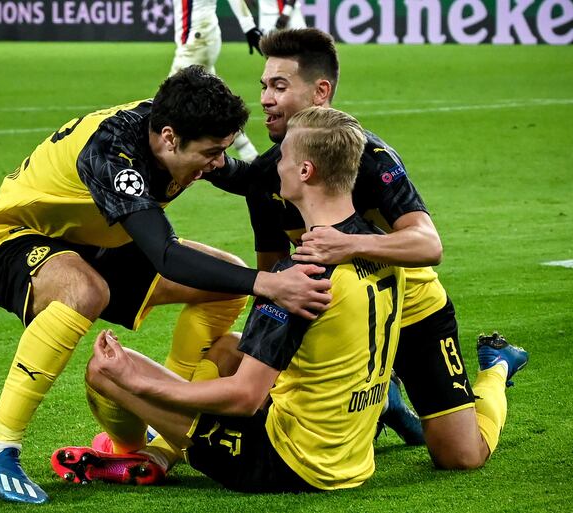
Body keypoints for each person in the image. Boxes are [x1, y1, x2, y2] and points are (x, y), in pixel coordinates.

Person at [0, 65, 332, 504]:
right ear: (171, 138)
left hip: (100, 238)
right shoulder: (113, 151)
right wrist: (266, 284)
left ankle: (164, 419)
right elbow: (165, 254)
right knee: (85, 291)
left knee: (224, 281)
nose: (218, 162)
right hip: (15, 238)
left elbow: (242, 177)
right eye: (212, 151)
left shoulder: (174, 134)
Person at [207, 28, 529, 470]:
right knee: (232, 358)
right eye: (263, 85)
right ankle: (383, 401)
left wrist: (349, 244)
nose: (264, 98)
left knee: (461, 456)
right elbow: (271, 274)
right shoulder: (272, 174)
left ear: (321, 92)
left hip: (411, 311)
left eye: (279, 86)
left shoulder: (368, 156)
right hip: (337, 323)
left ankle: (497, 368)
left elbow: (428, 243)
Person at [50, 106, 407, 492]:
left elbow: (244, 398)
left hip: (286, 462)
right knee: (228, 349)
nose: (275, 166)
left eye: (282, 156)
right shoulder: (379, 246)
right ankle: (159, 451)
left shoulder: (297, 277)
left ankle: (144, 449)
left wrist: (142, 385)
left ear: (305, 172)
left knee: (107, 371)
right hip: (351, 453)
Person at [169, 0, 263, 162]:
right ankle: (251, 156)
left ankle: (147, 157)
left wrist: (248, 25)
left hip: (199, 39)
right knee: (218, 101)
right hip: (200, 37)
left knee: (168, 98)